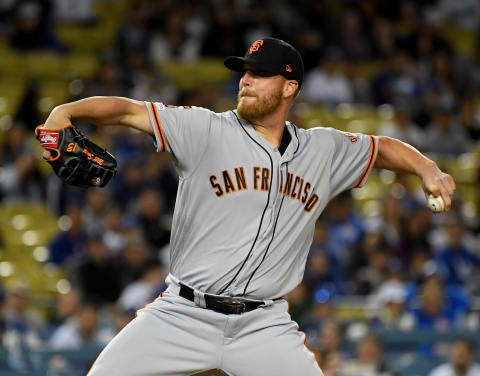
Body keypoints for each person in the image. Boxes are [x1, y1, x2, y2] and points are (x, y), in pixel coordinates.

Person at [37, 37, 455, 376]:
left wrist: (427, 167)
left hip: (264, 324)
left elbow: (381, 149)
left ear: (289, 87)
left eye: (260, 74)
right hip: (183, 313)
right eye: (245, 72)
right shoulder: (205, 129)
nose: (246, 80)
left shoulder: (321, 149)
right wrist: (65, 111)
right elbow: (129, 111)